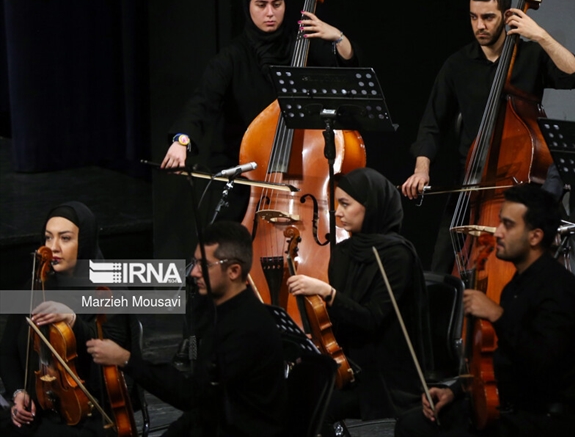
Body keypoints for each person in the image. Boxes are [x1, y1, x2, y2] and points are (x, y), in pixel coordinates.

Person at [401, 0, 575, 272]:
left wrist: (540, 36)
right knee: (440, 270)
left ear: (506, 15)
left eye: (488, 17)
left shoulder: (531, 56)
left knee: (535, 268)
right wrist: (421, 168)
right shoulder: (457, 64)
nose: (480, 26)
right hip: (471, 185)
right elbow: (432, 123)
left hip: (520, 188)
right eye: (474, 17)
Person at [395, 183, 575, 437]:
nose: (497, 232)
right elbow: (499, 362)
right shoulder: (517, 285)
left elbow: (543, 363)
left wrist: (497, 315)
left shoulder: (559, 288)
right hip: (507, 405)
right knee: (411, 422)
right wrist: (453, 390)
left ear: (535, 236)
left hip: (538, 418)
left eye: (508, 225)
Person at [160, 0, 358, 219]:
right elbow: (202, 101)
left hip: (300, 176)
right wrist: (182, 140)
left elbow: (347, 76)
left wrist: (338, 37)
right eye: (261, 5)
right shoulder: (232, 58)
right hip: (244, 175)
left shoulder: (304, 46)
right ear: (248, 7)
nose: (270, 13)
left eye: (277, 4)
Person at [88, 221, 287, 437]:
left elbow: (192, 397)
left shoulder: (247, 328)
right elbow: (204, 407)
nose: (193, 272)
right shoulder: (221, 312)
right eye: (194, 262)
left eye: (204, 264)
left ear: (234, 271)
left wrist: (126, 359)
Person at [286, 167, 430, 425]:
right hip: (346, 368)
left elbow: (372, 318)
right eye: (337, 204)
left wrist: (326, 292)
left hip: (383, 379)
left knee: (312, 412)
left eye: (345, 204)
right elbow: (338, 320)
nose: (338, 212)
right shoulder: (342, 252)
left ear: (371, 205)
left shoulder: (398, 255)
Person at [0, 202, 133, 436]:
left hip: (89, 412)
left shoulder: (109, 290)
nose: (53, 247)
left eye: (65, 238)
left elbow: (116, 356)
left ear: (85, 242)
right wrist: (17, 393)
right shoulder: (35, 286)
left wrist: (73, 320)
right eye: (48, 238)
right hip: (38, 408)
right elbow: (7, 351)